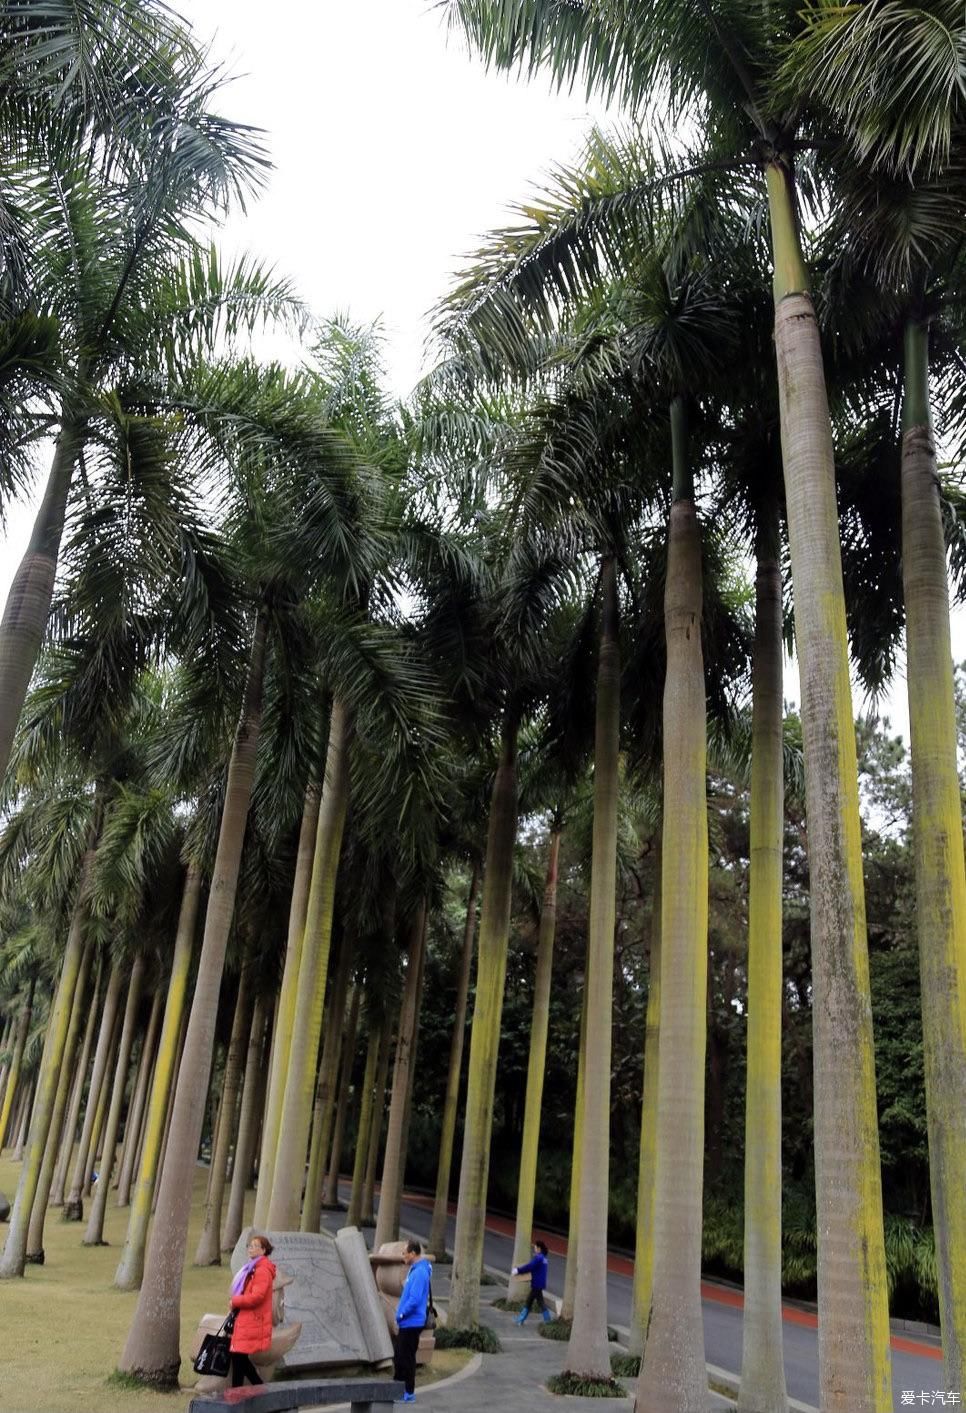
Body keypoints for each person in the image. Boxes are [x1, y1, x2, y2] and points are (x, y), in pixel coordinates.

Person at [228, 1232, 276, 1387]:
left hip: (252, 1321)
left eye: (256, 1246)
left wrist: (235, 1301)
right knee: (239, 1358)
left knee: (238, 1358)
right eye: (250, 1245)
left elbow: (257, 1297)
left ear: (263, 1251)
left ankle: (237, 1396)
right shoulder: (253, 1268)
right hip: (247, 1320)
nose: (251, 1248)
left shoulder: (262, 1271)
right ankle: (258, 1388)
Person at [393, 1237, 432, 1403]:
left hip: (411, 1322)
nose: (403, 1255)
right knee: (400, 1356)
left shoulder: (420, 1272)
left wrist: (402, 1314)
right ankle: (398, 1389)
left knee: (406, 1358)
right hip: (408, 1322)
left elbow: (415, 1299)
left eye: (405, 1252)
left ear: (413, 1253)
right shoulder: (416, 1270)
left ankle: (407, 1392)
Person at [512, 1240, 551, 1323]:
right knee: (539, 1302)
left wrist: (518, 1270)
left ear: (539, 1248)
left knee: (530, 1301)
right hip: (540, 1284)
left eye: (535, 1247)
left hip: (536, 1284)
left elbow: (529, 1266)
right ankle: (547, 1320)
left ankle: (520, 1319)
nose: (534, 1248)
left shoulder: (538, 1258)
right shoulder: (544, 1258)